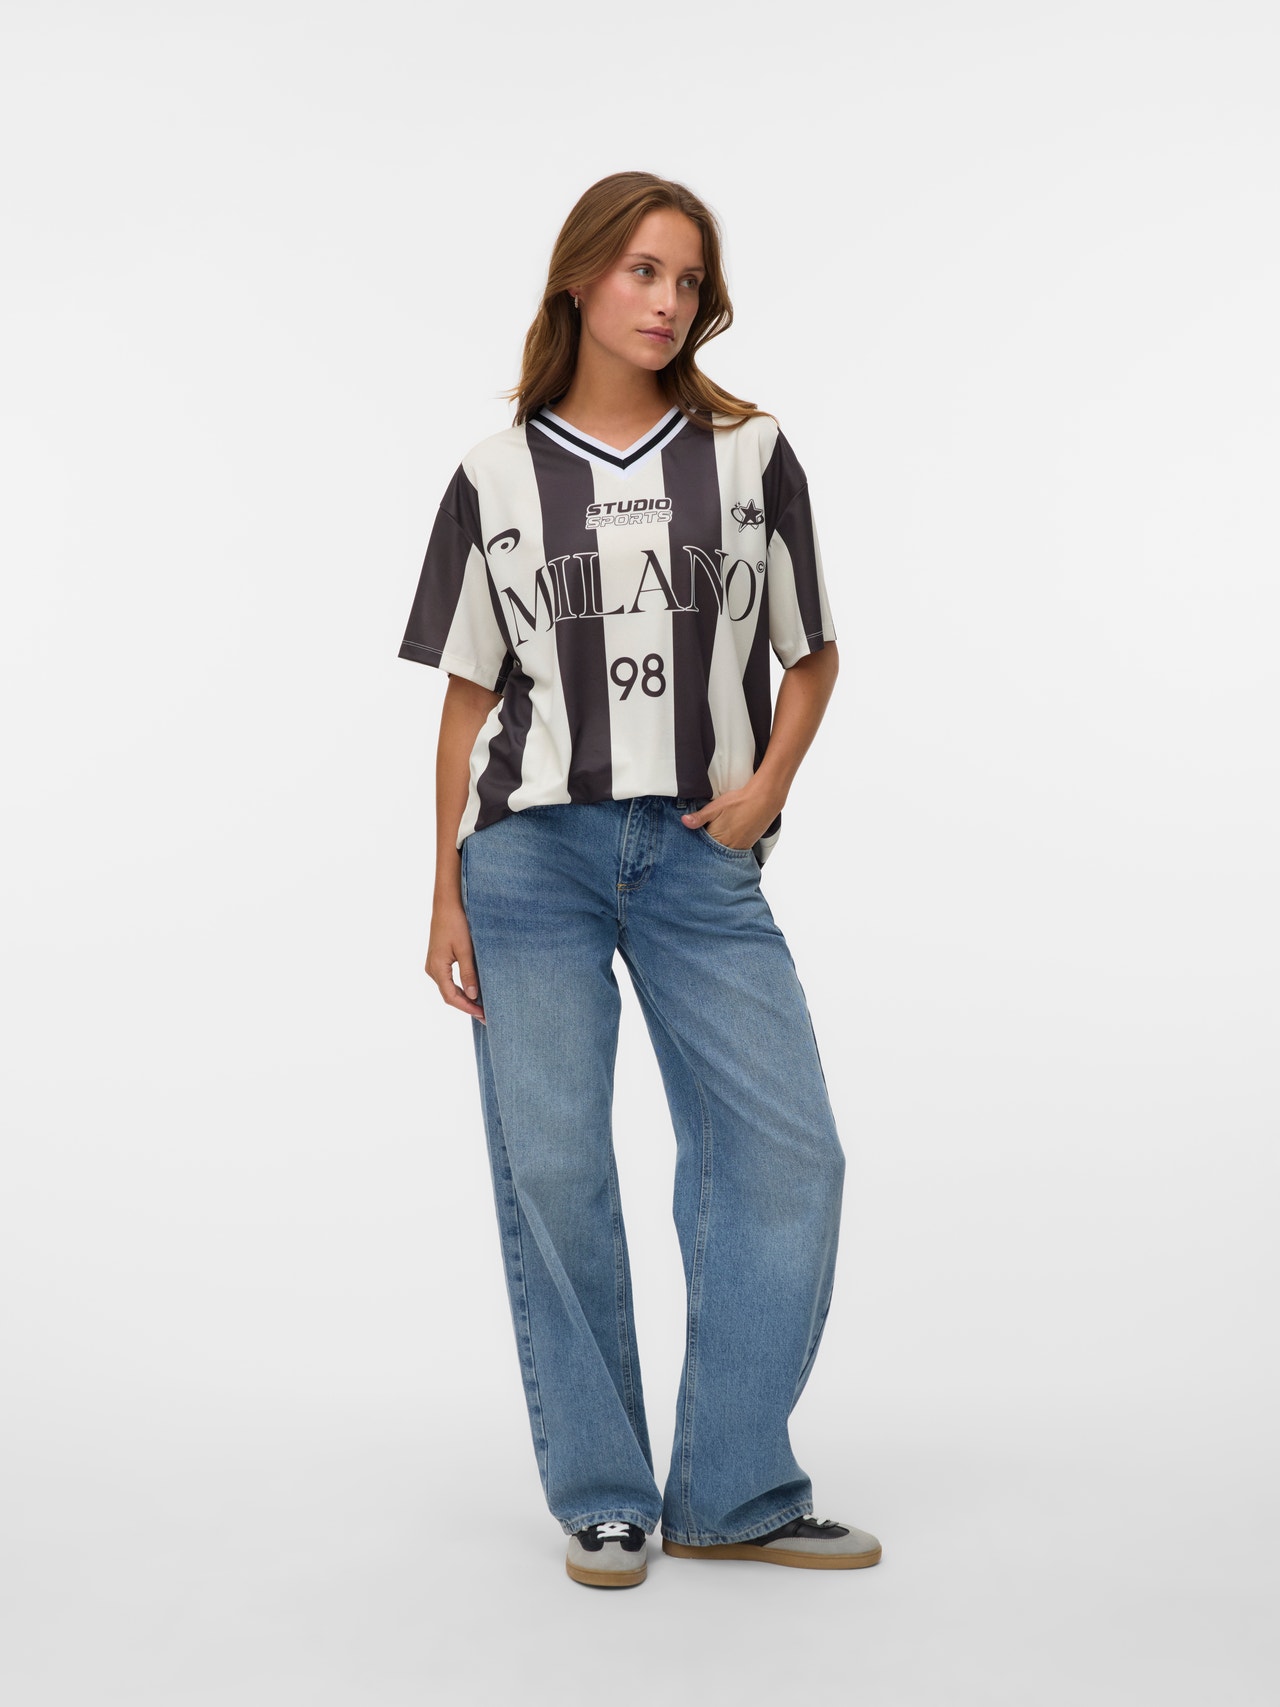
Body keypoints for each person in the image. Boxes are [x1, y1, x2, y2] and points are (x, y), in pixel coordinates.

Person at [397, 170, 882, 1589]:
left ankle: (733, 1488)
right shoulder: (494, 476)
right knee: (554, 1167)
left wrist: (767, 789)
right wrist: (442, 895)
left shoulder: (749, 453)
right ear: (581, 277)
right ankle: (605, 1494)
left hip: (696, 853)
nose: (667, 301)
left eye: (688, 280)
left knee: (788, 1153)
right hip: (527, 857)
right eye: (643, 271)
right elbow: (465, 702)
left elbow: (813, 651)